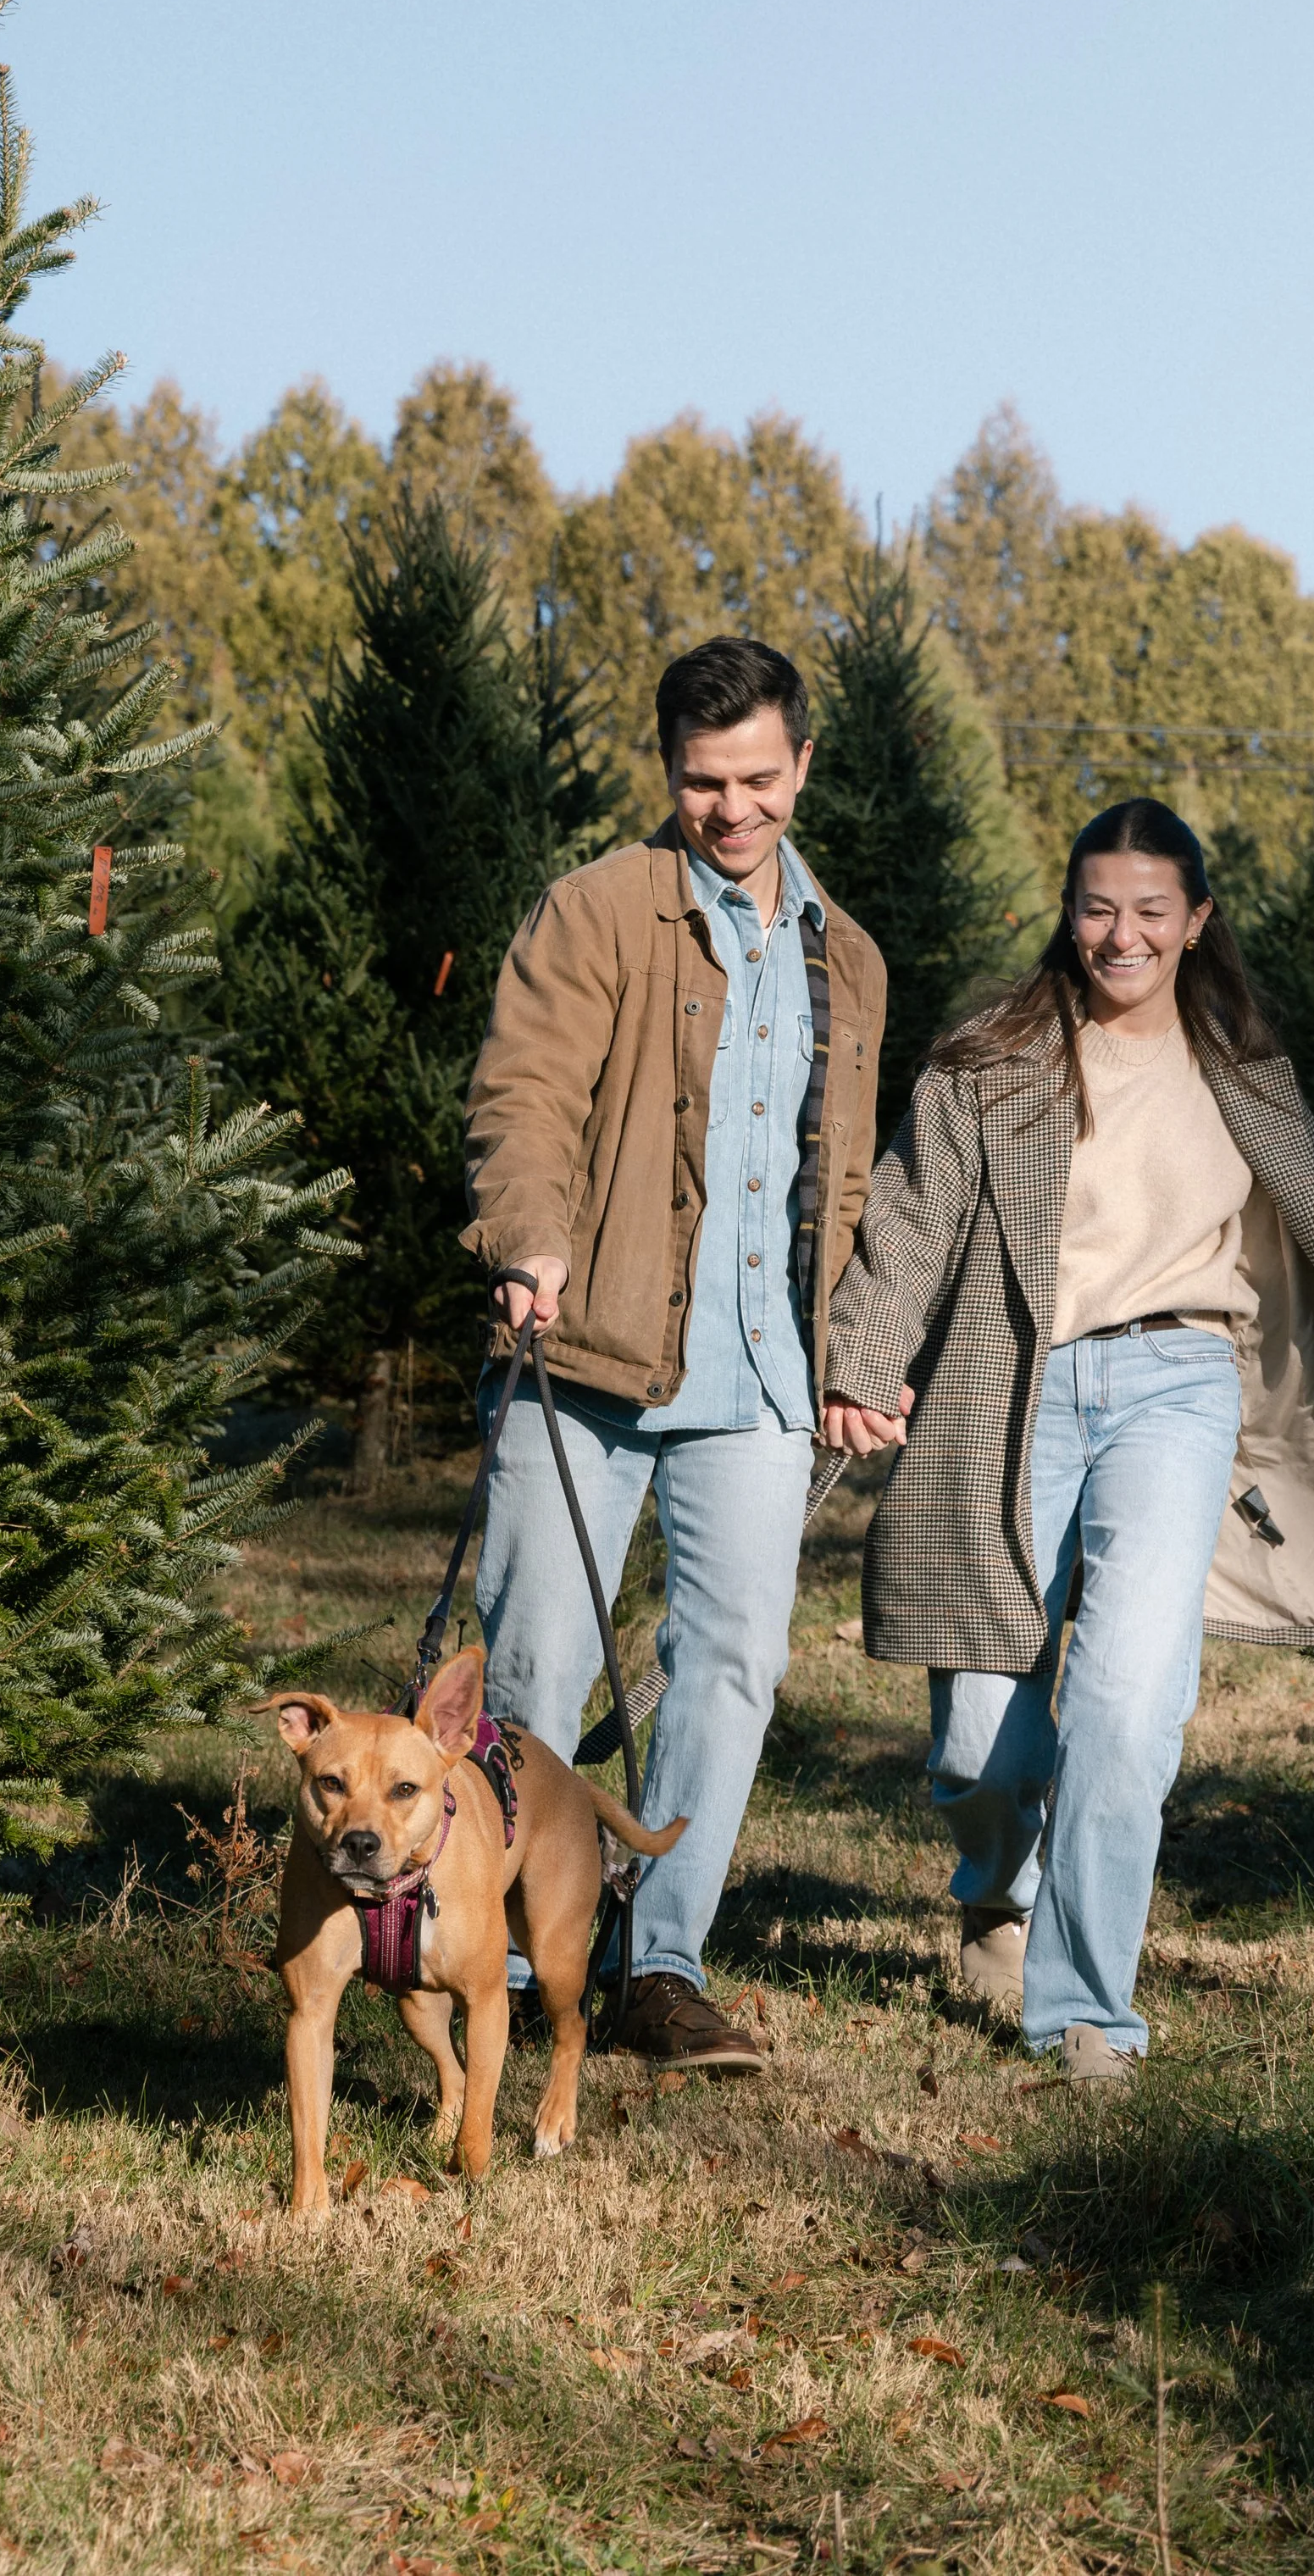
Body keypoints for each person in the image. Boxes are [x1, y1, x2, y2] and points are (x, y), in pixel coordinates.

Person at [821, 797, 1314, 2079]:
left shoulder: (1246, 1073)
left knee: (1129, 1696)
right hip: (1018, 1382)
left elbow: (1312, 1262)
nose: (1123, 934)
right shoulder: (993, 1061)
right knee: (984, 1728)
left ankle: (1087, 2005)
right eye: (1099, 907)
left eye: (1153, 910)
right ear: (1070, 910)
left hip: (1180, 1381)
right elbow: (910, 1220)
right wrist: (866, 1360)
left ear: (1196, 919)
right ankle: (997, 1886)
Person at [462, 636, 886, 2072]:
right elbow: (521, 1093)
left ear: (803, 764)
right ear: (670, 773)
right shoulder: (599, 913)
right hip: (583, 1352)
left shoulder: (853, 959)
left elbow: (846, 1179)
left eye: (760, 777)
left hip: (761, 1380)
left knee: (733, 1661)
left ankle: (659, 1962)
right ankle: (511, 1955)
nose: (733, 808)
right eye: (705, 782)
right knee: (540, 1659)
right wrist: (528, 1238)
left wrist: (855, 1352)